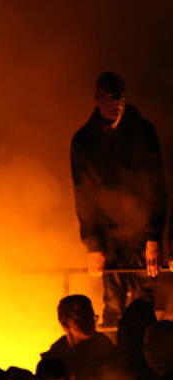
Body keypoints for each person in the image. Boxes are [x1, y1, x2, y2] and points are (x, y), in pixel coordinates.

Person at [71, 71, 168, 327]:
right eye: (111, 98)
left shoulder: (143, 133)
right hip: (108, 238)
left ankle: (144, 363)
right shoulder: (83, 142)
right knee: (113, 306)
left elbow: (154, 186)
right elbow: (84, 196)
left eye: (121, 99)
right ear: (98, 99)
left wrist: (152, 237)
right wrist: (93, 245)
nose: (117, 105)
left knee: (144, 307)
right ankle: (114, 364)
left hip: (139, 237)